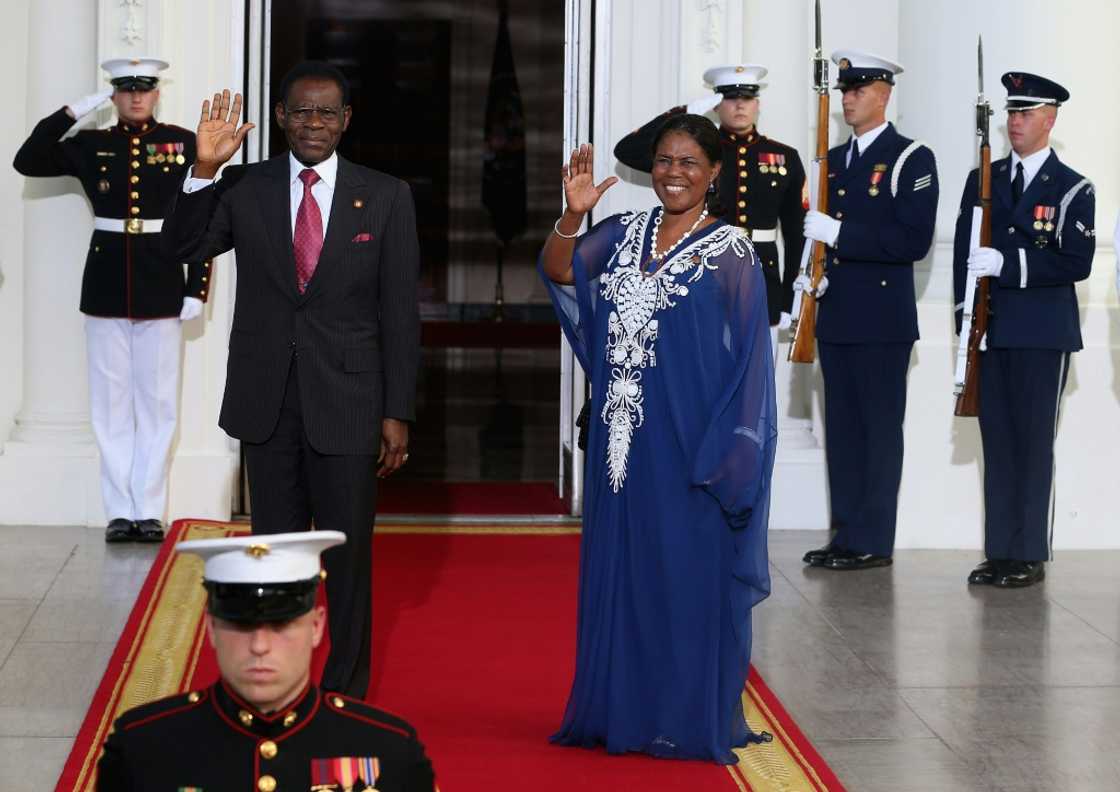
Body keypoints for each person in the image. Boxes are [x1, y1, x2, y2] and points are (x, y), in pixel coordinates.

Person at [161, 61, 421, 698]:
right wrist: (202, 171)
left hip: (351, 403)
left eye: (327, 112)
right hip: (266, 401)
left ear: (347, 119)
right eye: (301, 112)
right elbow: (180, 247)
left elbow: (398, 314)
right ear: (280, 117)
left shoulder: (385, 194)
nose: (314, 124)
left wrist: (397, 410)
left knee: (349, 560)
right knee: (272, 556)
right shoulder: (243, 186)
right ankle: (276, 686)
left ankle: (344, 694)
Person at [539, 115, 777, 763]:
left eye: (690, 163)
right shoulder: (621, 233)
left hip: (692, 443)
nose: (675, 172)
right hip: (622, 441)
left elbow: (750, 363)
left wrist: (733, 453)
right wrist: (571, 215)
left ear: (715, 173)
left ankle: (679, 717)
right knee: (625, 573)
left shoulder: (732, 253)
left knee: (683, 580)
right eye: (666, 161)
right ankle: (622, 709)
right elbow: (559, 270)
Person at [13, 57, 206, 544]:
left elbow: (204, 216)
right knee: (110, 404)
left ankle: (150, 509)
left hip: (163, 282)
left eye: (144, 89)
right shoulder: (91, 143)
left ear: (157, 94)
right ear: (113, 96)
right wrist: (77, 109)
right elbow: (28, 159)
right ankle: (120, 511)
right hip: (104, 286)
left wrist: (196, 287)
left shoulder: (183, 143)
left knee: (158, 404)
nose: (136, 97)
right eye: (124, 90)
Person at [96, 531, 437, 791]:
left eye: (281, 625)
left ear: (317, 627)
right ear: (211, 629)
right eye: (242, 625)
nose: (259, 645)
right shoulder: (143, 747)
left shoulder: (388, 751)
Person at [953, 73, 1095, 588]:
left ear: (1050, 119)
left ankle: (1029, 552)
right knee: (998, 442)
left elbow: (1075, 262)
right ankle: (1000, 551)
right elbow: (965, 258)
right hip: (992, 329)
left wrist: (1009, 265)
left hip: (1042, 333)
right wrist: (963, 323)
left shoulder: (1074, 187)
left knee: (1033, 444)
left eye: (1027, 113)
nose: (1015, 122)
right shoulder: (983, 179)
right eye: (1011, 113)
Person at [800, 51, 939, 571]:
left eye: (859, 88)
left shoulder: (910, 158)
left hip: (882, 319)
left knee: (879, 430)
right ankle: (845, 532)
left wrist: (841, 233)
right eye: (844, 89)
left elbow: (913, 239)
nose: (849, 97)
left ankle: (873, 540)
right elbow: (816, 242)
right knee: (843, 428)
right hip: (835, 313)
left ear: (884, 94)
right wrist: (807, 280)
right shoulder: (831, 161)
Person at [613, 64, 807, 347]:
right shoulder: (699, 153)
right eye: (729, 97)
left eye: (747, 97)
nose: (739, 104)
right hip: (705, 269)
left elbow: (795, 233)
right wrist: (684, 111)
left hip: (761, 277)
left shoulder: (784, 156)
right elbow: (628, 151)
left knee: (756, 380)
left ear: (758, 104)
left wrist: (792, 299)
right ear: (716, 105)